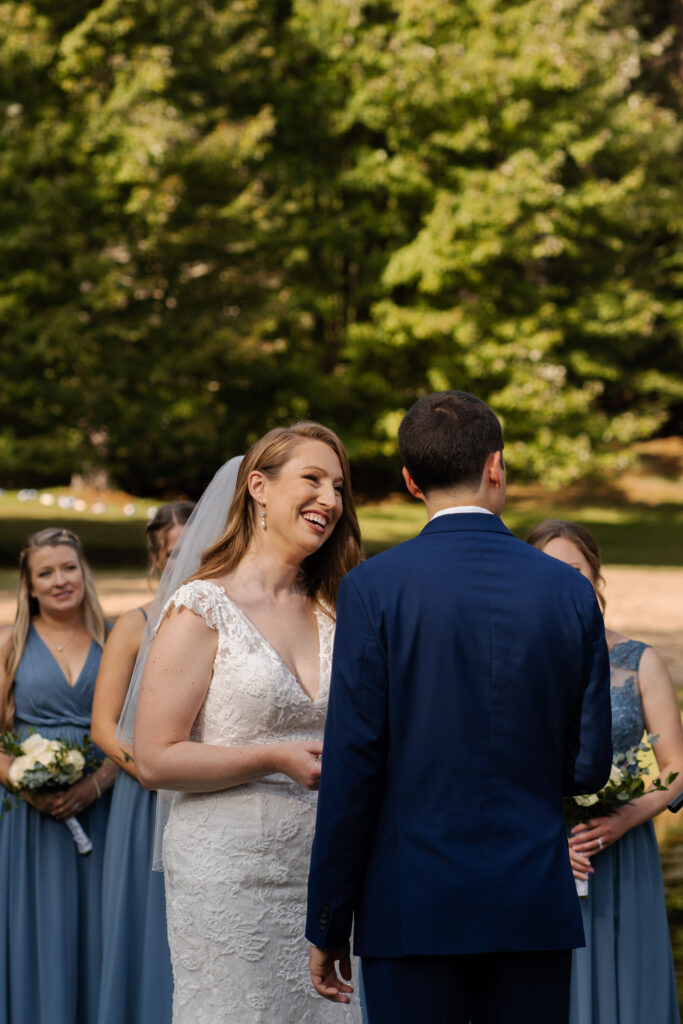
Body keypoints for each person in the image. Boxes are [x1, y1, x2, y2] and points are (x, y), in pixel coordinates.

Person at [305, 390, 613, 1024]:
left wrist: (330, 918)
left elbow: (353, 768)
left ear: (410, 479)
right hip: (533, 902)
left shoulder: (372, 589)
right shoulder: (569, 592)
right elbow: (587, 768)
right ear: (495, 466)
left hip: (411, 904)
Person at [131, 422, 363, 1024]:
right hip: (229, 877)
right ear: (258, 487)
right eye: (311, 479)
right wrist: (271, 756)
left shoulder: (337, 608)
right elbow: (154, 758)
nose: (331, 500)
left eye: (338, 486)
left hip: (328, 878)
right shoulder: (202, 607)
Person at [526, 518, 683, 1024]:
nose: (565, 582)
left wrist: (622, 820)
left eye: (575, 569)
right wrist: (547, 838)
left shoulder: (640, 662)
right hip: (541, 858)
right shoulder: (516, 664)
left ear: (596, 577)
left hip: (623, 855)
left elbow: (677, 770)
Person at [0, 527, 117, 1024]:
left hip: (103, 811)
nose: (59, 580)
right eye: (45, 573)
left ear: (83, 573)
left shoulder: (115, 640)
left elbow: (135, 732)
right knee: (36, 928)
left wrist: (94, 785)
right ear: (29, 586)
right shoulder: (11, 647)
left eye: (68, 568)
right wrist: (23, 783)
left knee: (98, 928)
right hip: (29, 821)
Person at [92, 501, 194, 1024]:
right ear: (157, 560)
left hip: (206, 793)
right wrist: (158, 768)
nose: (186, 561)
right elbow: (104, 728)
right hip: (144, 798)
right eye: (175, 553)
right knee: (147, 925)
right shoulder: (134, 626)